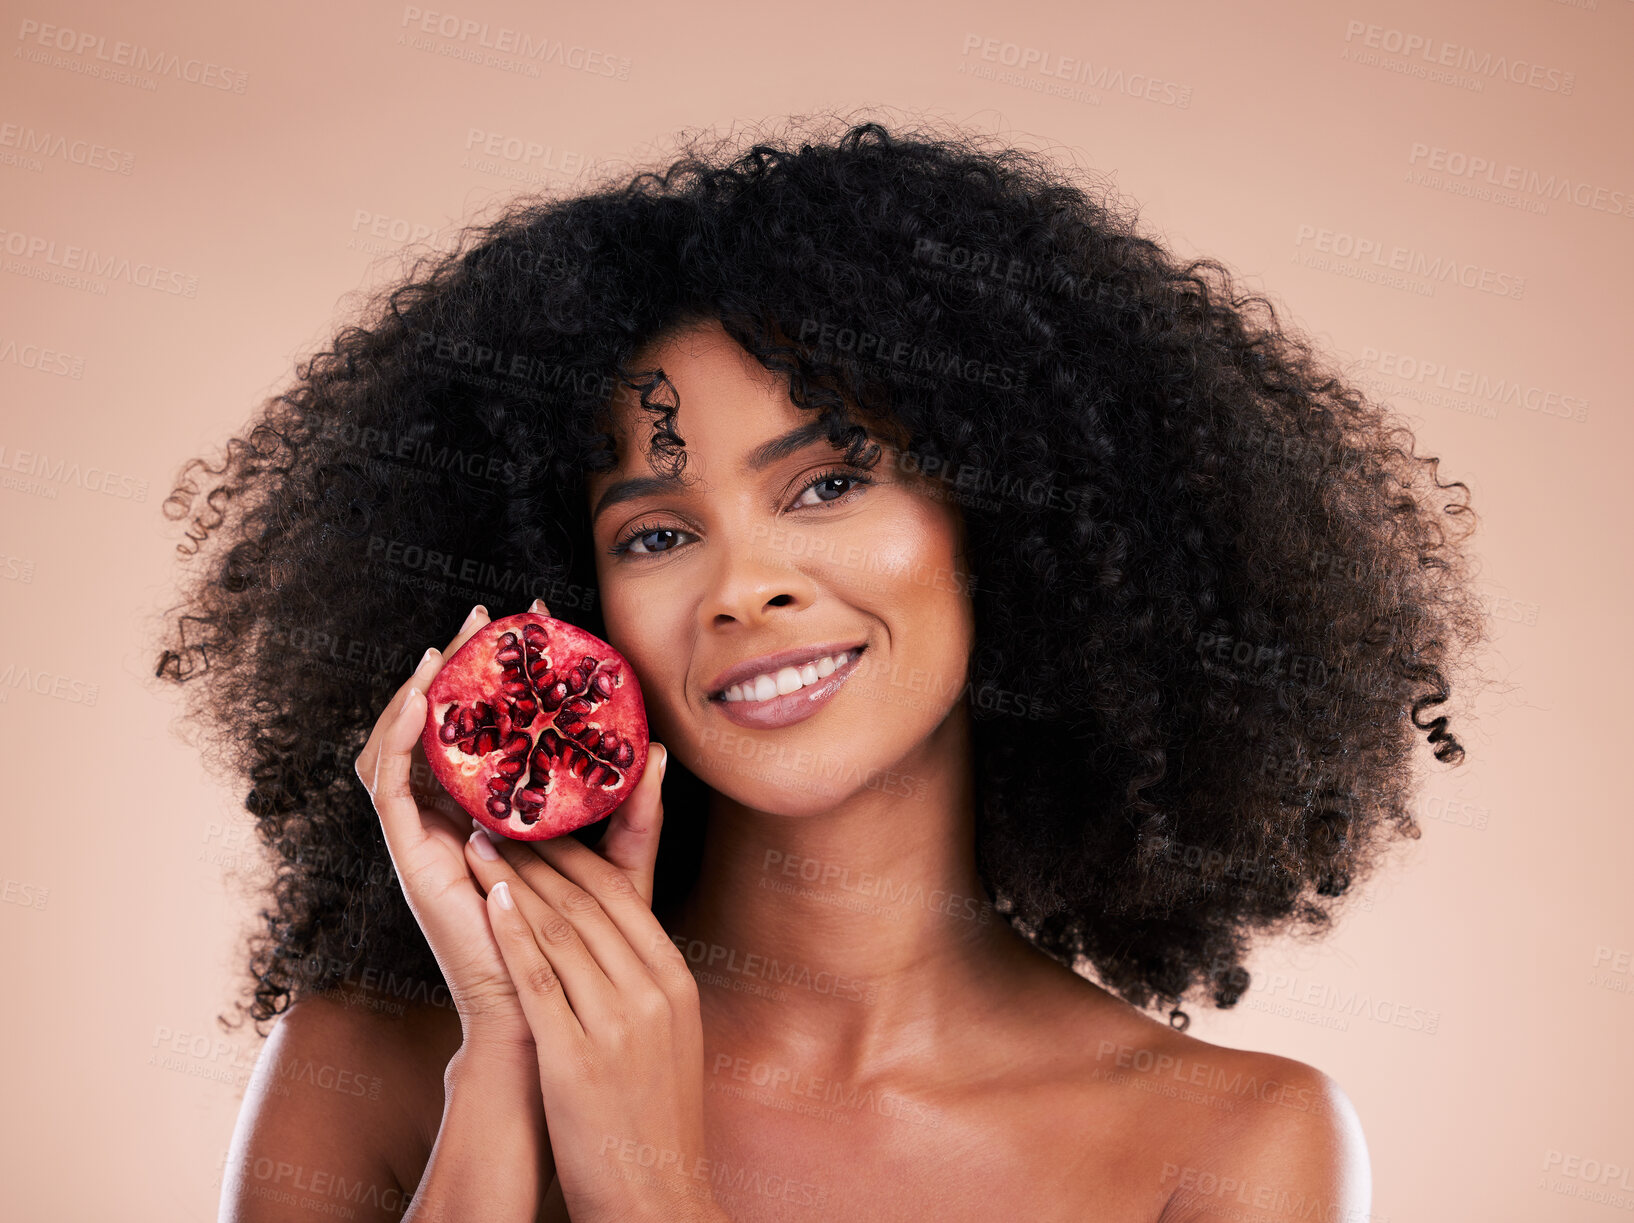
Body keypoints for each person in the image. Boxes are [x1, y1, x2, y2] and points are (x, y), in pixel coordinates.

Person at [158, 116, 1485, 1221]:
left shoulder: (1231, 1148)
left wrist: (643, 1186)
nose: (744, 587)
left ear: (1010, 517)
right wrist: (502, 1071)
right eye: (659, 532)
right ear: (578, 601)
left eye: (827, 483)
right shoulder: (368, 1066)